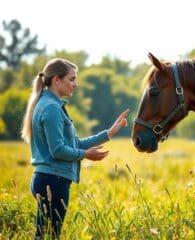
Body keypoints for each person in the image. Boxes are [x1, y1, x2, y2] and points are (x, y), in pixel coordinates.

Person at [21, 58, 129, 239]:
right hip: (53, 181)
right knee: (49, 236)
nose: (75, 84)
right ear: (56, 79)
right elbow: (58, 150)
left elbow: (73, 144)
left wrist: (109, 133)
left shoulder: (49, 105)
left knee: (45, 236)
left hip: (48, 179)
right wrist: (85, 155)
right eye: (71, 79)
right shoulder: (51, 108)